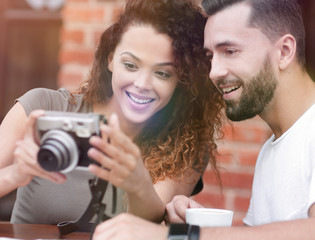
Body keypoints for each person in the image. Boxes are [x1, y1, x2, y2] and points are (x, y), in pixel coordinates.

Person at [91, 0, 315, 239]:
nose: (214, 72)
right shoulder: (273, 150)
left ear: (284, 51)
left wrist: (171, 236)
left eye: (230, 51)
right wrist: (193, 227)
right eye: (211, 56)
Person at [0, 0, 224, 226]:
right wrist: (15, 174)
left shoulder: (186, 144)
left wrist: (137, 182)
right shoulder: (43, 107)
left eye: (163, 74)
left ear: (181, 81)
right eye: (130, 65)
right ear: (110, 60)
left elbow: (145, 222)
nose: (142, 83)